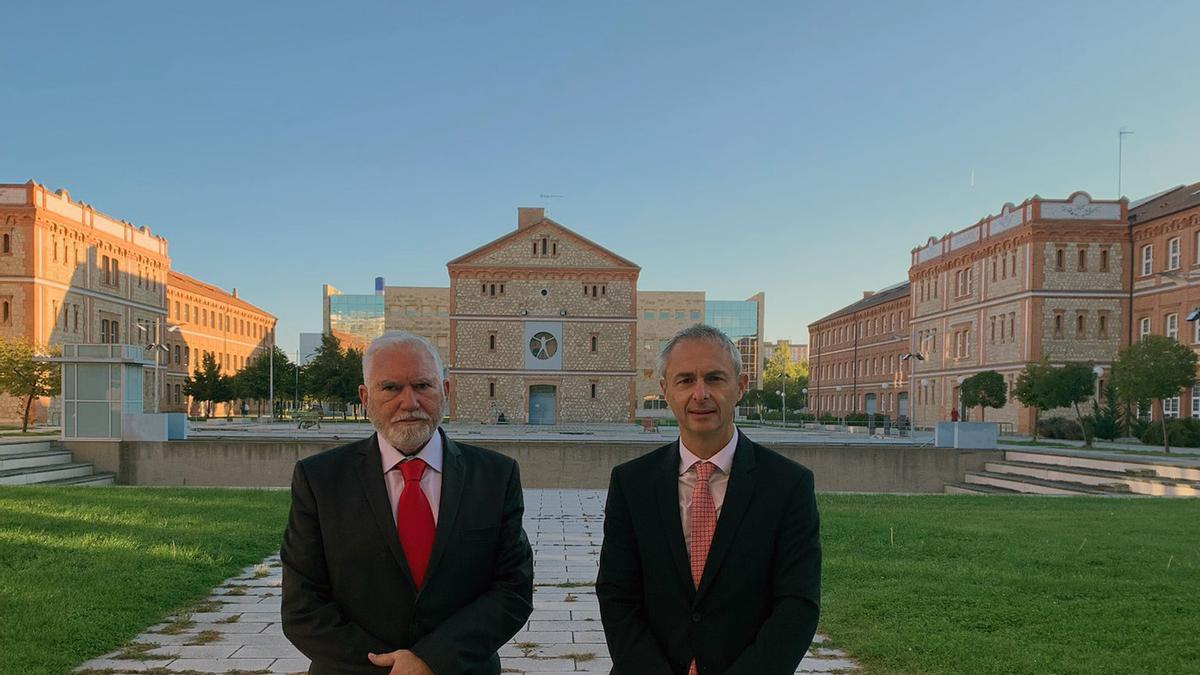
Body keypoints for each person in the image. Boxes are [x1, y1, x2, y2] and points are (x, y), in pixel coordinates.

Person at [281, 331, 534, 674]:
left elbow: (513, 590)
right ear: (365, 397)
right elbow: (303, 606)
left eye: (422, 386)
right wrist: (393, 669)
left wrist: (433, 660)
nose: (409, 402)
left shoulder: (495, 476)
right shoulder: (320, 480)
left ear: (444, 392)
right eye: (391, 388)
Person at [597, 324, 821, 674]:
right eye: (685, 380)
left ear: (740, 387)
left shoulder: (788, 485)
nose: (700, 394)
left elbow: (797, 604)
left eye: (715, 379)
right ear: (665, 391)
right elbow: (616, 595)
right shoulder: (631, 483)